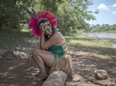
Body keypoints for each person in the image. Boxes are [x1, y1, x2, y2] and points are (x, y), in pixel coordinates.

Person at [28, 11, 73, 81]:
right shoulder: (51, 34)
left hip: (61, 61)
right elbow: (42, 49)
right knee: (35, 52)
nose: (47, 32)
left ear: (50, 25)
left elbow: (42, 47)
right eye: (44, 31)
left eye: (47, 29)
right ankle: (43, 72)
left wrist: (42, 33)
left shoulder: (56, 36)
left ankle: (43, 75)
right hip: (56, 56)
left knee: (35, 52)